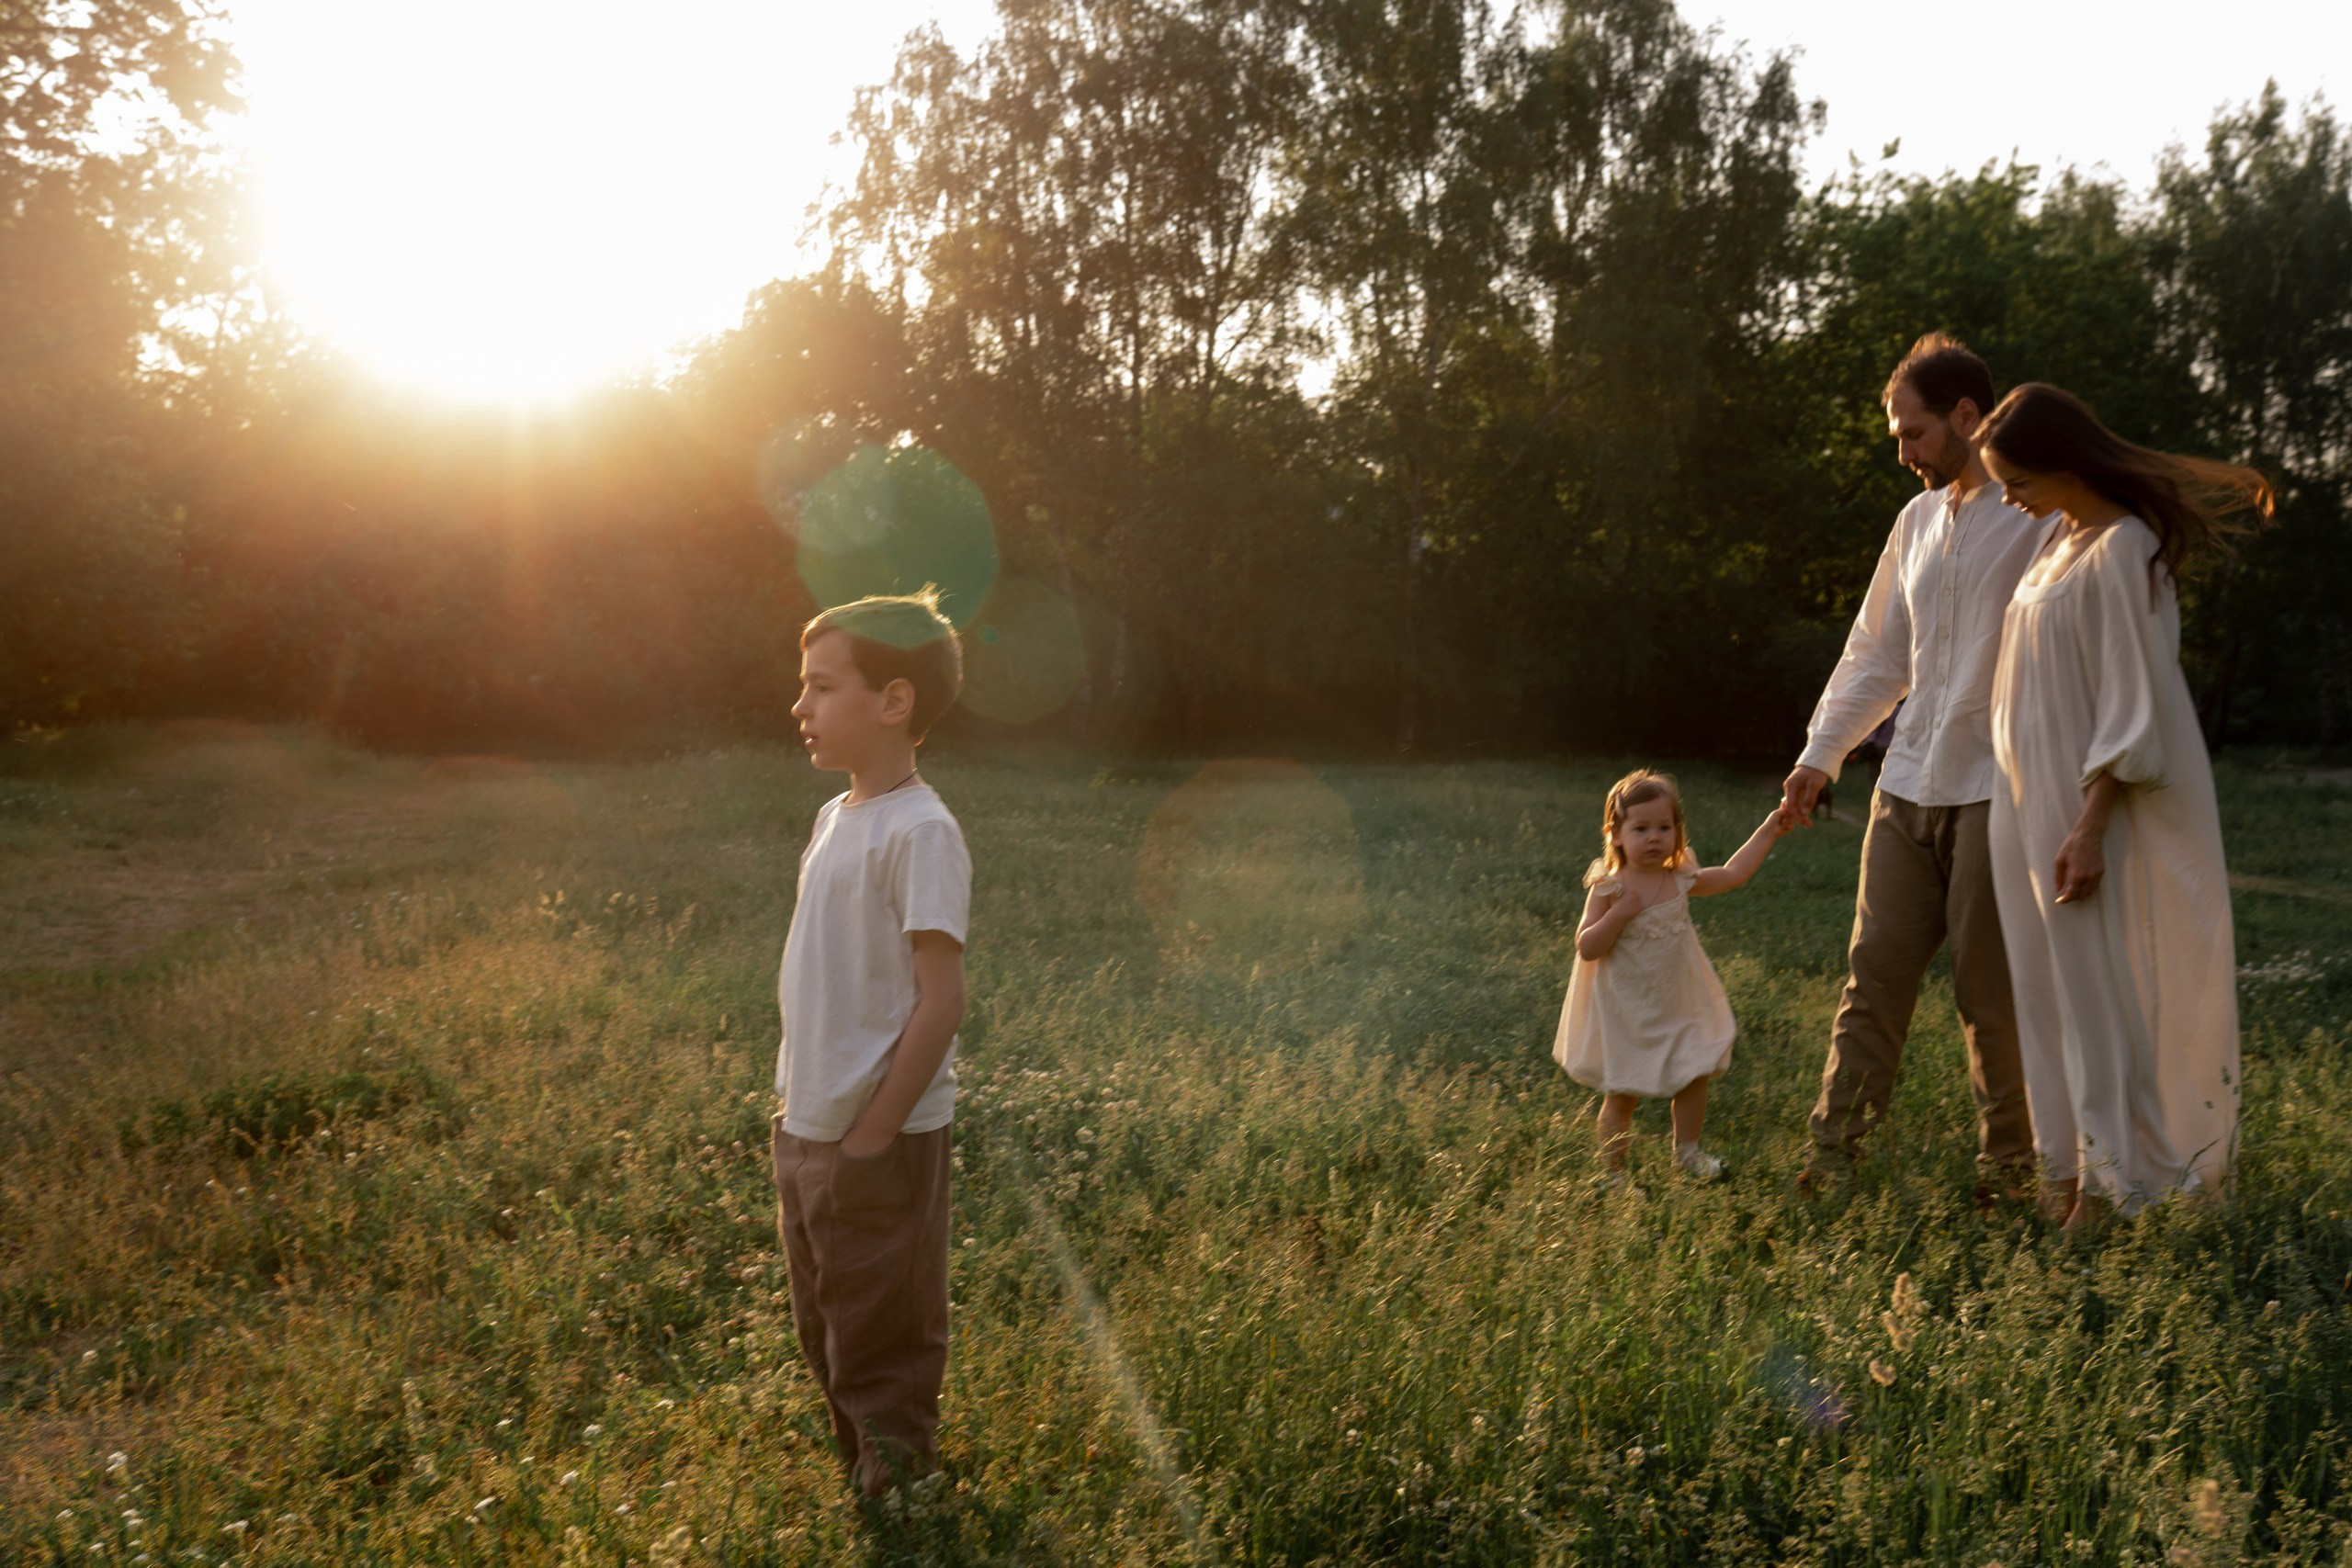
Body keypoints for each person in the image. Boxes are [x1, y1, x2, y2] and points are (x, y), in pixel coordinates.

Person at [1975, 383, 2267, 1228]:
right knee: (2044, 989)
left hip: (2083, 811)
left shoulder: (2125, 548)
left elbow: (2130, 703)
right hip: (2024, 802)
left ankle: (2113, 1190)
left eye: (2018, 481)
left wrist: (2089, 824)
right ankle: (2066, 1172)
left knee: (2098, 993)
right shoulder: (2055, 542)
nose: (2008, 498)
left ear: (2066, 468)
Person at [1781, 333, 2045, 1197]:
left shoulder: (2040, 514)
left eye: (1915, 433)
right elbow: (1876, 653)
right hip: (1906, 784)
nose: (1903, 452)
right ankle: (1832, 1164)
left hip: (1994, 788)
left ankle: (2009, 1176)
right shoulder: (1917, 521)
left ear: (1969, 415)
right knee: (1873, 980)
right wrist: (1821, 754)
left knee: (1989, 995)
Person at [771, 589, 972, 1494]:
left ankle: (900, 1488)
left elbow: (941, 1000)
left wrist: (876, 1132)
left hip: (875, 1137)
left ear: (892, 701)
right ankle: (861, 1468)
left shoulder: (921, 830)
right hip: (808, 1125)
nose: (799, 707)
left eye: (821, 687)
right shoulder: (832, 818)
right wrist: (807, 1115)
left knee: (883, 1326)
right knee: (826, 1320)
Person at [1555, 770, 1792, 1182]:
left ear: (1677, 831)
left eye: (1664, 827)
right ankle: (1613, 1172)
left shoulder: (1678, 878)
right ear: (1615, 834)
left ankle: (1688, 1153)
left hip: (1678, 1001)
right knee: (1621, 1093)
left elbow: (1733, 875)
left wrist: (1768, 830)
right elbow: (1587, 946)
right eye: (1641, 828)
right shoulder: (1609, 887)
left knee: (1694, 1073)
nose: (1653, 838)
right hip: (1626, 1010)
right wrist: (1620, 913)